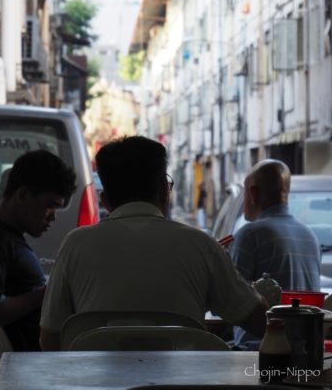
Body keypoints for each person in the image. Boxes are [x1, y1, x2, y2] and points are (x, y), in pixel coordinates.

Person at [39, 135, 268, 350]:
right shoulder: (201, 245)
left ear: (105, 201)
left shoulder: (75, 244)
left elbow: (49, 339)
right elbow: (260, 322)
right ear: (164, 190)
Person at [0, 150, 76, 378]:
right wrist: (47, 294)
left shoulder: (8, 239)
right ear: (23, 195)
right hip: (33, 370)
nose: (53, 216)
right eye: (50, 205)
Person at [230, 159, 321, 349]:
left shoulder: (250, 234)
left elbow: (232, 301)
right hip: (304, 351)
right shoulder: (310, 237)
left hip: (258, 351)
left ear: (253, 194)